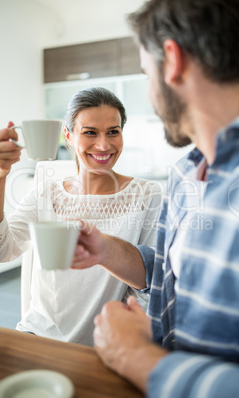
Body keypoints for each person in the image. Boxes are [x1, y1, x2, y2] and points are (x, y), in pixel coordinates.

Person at [71, 0, 239, 396]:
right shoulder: (185, 172)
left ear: (172, 60)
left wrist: (135, 355)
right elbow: (167, 277)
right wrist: (106, 250)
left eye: (146, 73)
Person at [0, 87, 162, 346]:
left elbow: (150, 285)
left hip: (105, 345)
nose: (103, 145)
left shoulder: (147, 195)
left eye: (113, 132)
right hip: (38, 335)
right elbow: (3, 250)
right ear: (69, 136)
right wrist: (1, 175)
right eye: (90, 133)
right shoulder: (46, 193)